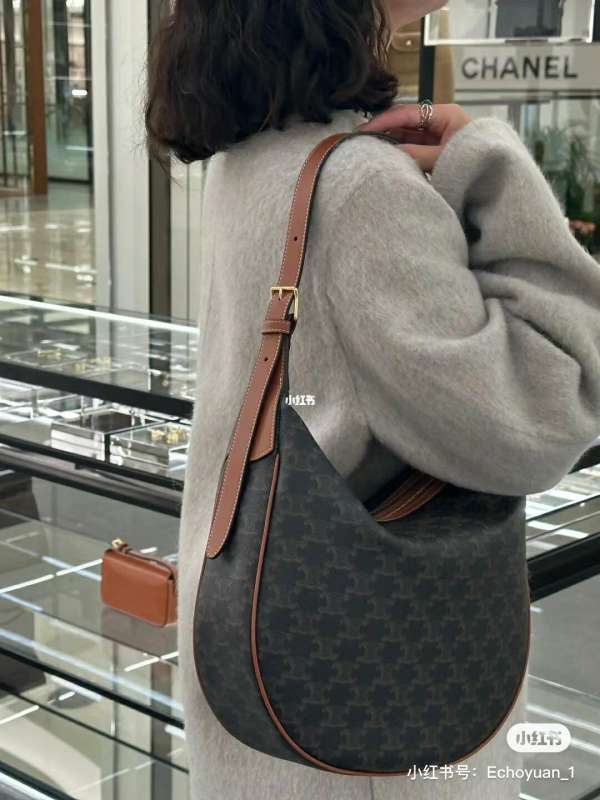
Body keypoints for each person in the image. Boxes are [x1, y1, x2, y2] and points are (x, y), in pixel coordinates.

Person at [145, 1, 600, 798]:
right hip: (369, 738)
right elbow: (554, 408)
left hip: (257, 656)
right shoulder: (360, 187)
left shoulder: (255, 156)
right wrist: (490, 164)